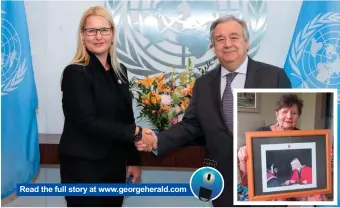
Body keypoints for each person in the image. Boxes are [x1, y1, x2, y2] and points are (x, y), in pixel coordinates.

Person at [135, 15, 292, 207]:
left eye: (234, 37)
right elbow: (190, 126)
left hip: (269, 180)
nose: (227, 44)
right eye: (220, 39)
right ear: (213, 47)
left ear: (246, 42)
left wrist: (292, 192)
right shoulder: (203, 84)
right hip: (223, 182)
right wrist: (157, 141)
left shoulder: (274, 76)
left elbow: (288, 129)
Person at [59, 6, 150, 207]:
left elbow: (126, 117)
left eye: (104, 30)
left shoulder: (120, 71)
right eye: (91, 31)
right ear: (83, 36)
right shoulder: (75, 73)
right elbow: (87, 122)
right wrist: (136, 132)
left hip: (114, 166)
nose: (98, 36)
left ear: (112, 35)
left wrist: (133, 160)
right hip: (83, 168)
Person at [238, 94, 329, 201]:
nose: (289, 116)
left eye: (294, 113)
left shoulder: (304, 137)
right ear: (277, 114)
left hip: (296, 182)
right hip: (269, 184)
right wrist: (243, 152)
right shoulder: (260, 134)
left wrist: (324, 155)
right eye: (284, 112)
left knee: (319, 199)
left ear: (298, 116)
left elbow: (309, 166)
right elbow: (248, 175)